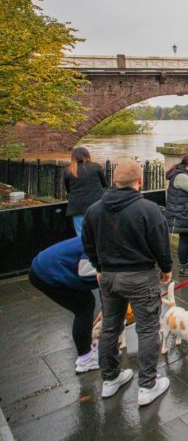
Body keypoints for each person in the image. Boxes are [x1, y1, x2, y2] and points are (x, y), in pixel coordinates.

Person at [82, 158, 173, 406]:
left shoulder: (94, 210)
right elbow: (160, 244)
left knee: (111, 327)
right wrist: (166, 269)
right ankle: (148, 385)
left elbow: (88, 244)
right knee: (147, 329)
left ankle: (110, 380)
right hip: (140, 277)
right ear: (140, 181)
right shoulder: (148, 209)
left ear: (114, 181)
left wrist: (100, 268)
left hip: (108, 277)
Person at [28, 237, 100, 373]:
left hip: (43, 267)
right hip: (47, 272)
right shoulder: (104, 241)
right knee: (84, 307)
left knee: (85, 304)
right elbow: (86, 272)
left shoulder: (100, 232)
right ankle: (86, 360)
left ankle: (85, 354)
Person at [64, 147, 107, 236]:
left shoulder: (68, 171)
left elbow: (68, 190)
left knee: (81, 236)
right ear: (87, 156)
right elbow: (104, 185)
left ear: (73, 157)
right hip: (96, 206)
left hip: (77, 208)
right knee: (99, 234)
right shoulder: (96, 167)